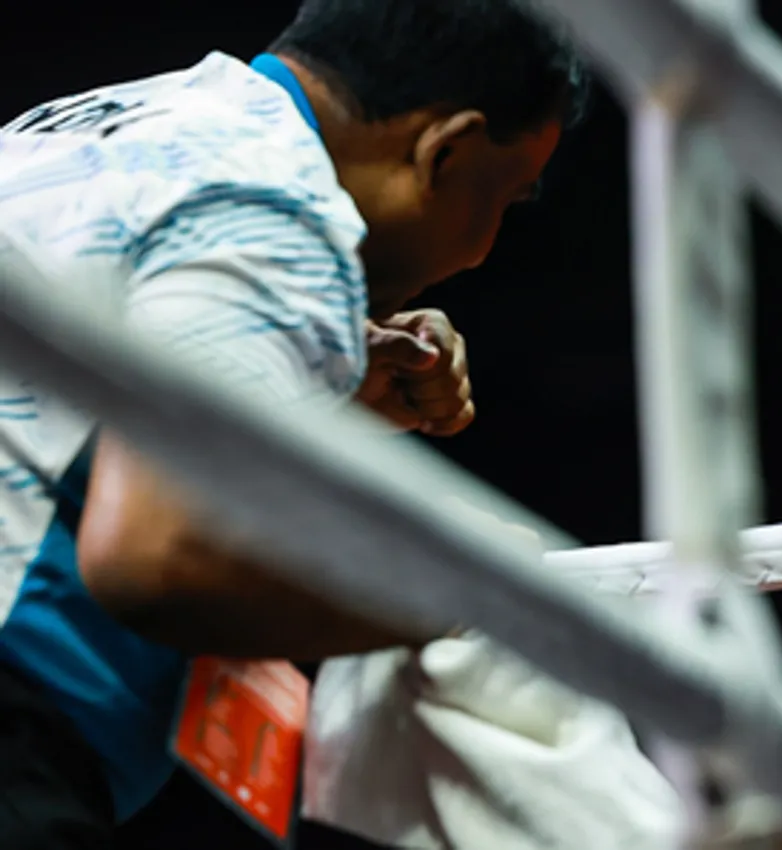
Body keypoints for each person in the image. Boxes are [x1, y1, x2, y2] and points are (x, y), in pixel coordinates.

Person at [0, 1, 587, 846]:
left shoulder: (82, 127)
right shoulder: (278, 202)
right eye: (502, 201)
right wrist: (460, 587)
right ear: (445, 151)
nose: (483, 251)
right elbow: (160, 554)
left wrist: (306, 401)